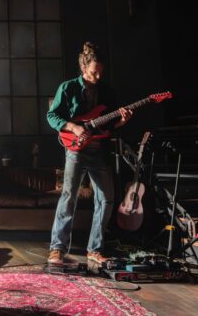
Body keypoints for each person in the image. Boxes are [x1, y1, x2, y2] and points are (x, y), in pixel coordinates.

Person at [46, 42, 132, 268]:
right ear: (84, 68)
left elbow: (109, 125)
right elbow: (52, 116)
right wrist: (73, 127)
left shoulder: (107, 92)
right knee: (68, 198)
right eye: (94, 72)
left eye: (101, 72)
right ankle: (57, 248)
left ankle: (95, 249)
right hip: (75, 150)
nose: (98, 76)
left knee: (106, 199)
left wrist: (121, 122)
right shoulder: (67, 88)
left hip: (99, 152)